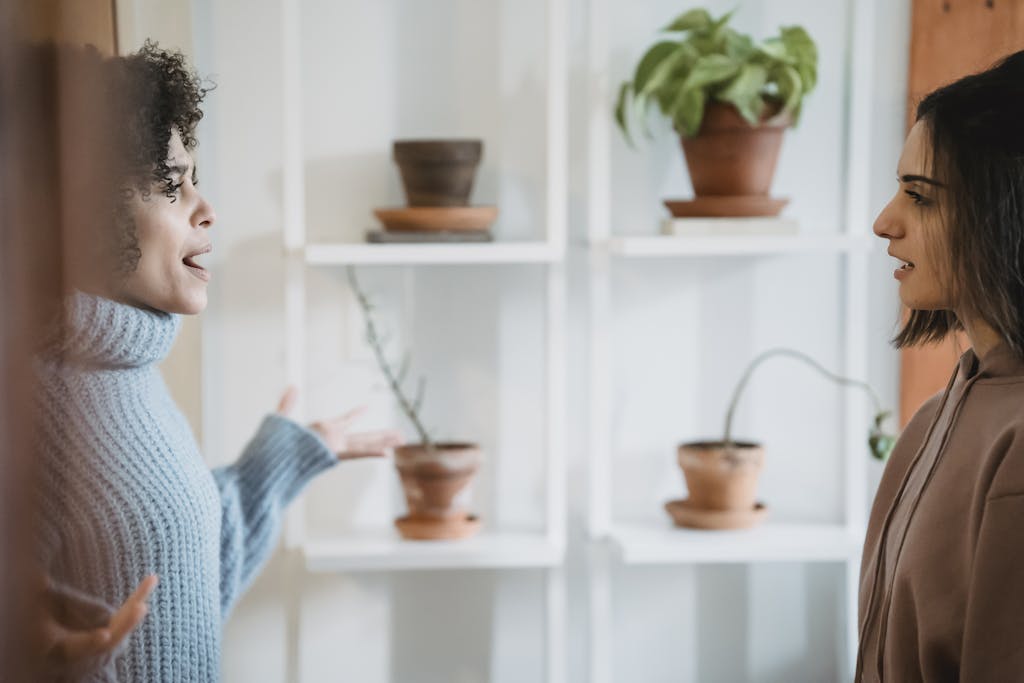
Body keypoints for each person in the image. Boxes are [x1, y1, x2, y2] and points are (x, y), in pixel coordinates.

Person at [31, 41, 401, 680]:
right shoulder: (27, 397)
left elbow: (179, 581)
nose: (207, 209)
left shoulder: (127, 371)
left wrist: (276, 464)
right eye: (173, 186)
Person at [860, 49, 1024, 680]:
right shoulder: (933, 421)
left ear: (1004, 211)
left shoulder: (1016, 444)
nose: (884, 222)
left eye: (919, 197)